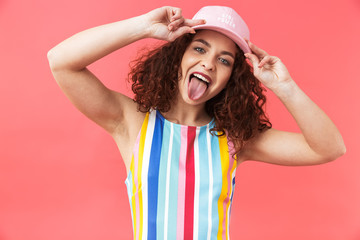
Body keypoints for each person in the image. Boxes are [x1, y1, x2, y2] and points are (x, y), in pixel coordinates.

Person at [47, 5, 346, 240]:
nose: (208, 63)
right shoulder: (133, 123)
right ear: (180, 54)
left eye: (224, 60)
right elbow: (61, 61)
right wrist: (143, 27)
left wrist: (285, 86)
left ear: (231, 78)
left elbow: (329, 148)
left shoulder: (234, 140)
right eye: (200, 48)